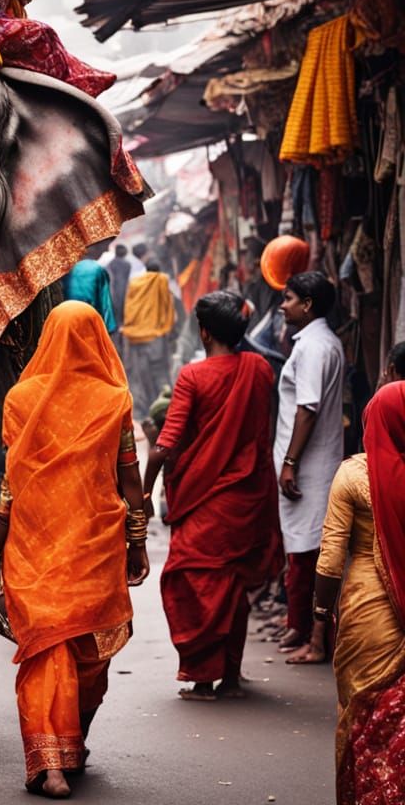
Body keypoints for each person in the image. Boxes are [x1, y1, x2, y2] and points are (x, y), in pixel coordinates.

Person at [0, 301, 148, 799]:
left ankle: (51, 760)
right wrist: (137, 543)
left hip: (32, 547)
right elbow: (130, 480)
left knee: (46, 646)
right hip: (94, 549)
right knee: (87, 650)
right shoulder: (113, 399)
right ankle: (67, 751)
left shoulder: (21, 399)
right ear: (98, 341)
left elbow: (10, 486)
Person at [143, 291, 283, 700]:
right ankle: (232, 677)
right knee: (233, 584)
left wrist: (145, 491)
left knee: (194, 581)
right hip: (248, 496)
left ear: (204, 332)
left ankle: (203, 678)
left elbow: (166, 444)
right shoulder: (259, 369)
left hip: (203, 497)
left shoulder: (193, 377)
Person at [314, 382, 405, 803]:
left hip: (367, 609)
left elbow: (331, 558)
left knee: (363, 710)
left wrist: (321, 611)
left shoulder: (352, 475)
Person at [273, 271, 345, 663]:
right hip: (311, 463)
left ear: (307, 304)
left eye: (288, 298)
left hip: (309, 467)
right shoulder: (318, 342)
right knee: (306, 550)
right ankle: (303, 629)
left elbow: (307, 408)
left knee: (309, 552)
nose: (283, 305)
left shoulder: (315, 347)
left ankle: (315, 639)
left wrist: (290, 463)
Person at [121, 260, 176, 419]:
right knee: (159, 372)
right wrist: (168, 326)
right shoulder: (161, 280)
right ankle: (164, 407)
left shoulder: (135, 283)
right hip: (155, 336)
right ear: (158, 271)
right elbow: (167, 304)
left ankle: (148, 407)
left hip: (136, 336)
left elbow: (129, 306)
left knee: (142, 373)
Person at [61, 259, 117, 333]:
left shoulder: (62, 268)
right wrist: (108, 328)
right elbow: (105, 302)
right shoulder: (96, 269)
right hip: (89, 324)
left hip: (65, 322)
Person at [105, 243, 132, 332]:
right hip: (124, 291)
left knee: (115, 315)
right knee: (123, 315)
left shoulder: (110, 264)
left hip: (113, 292)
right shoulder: (127, 264)